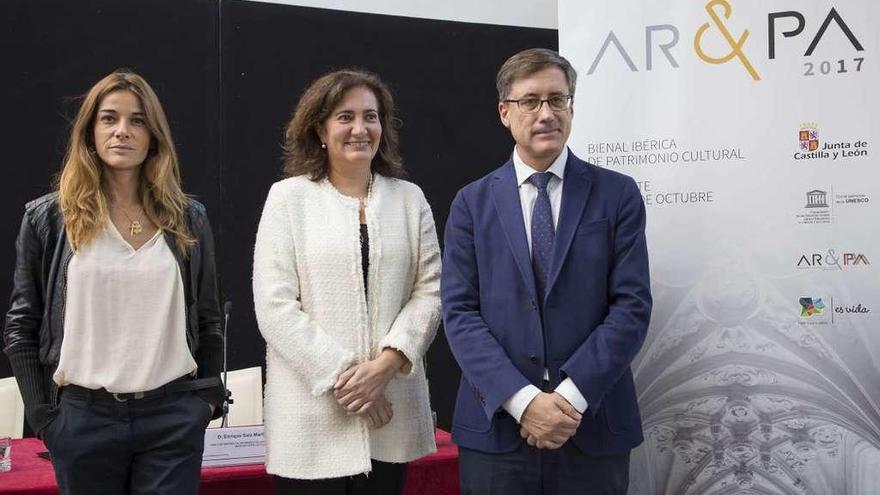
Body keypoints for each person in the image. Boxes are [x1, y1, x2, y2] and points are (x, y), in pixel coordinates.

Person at [2, 70, 224, 494]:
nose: (122, 131)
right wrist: (46, 418)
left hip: (172, 417)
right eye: (109, 119)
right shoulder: (49, 218)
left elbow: (209, 318)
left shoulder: (188, 218)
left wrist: (204, 403)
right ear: (90, 131)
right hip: (83, 419)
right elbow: (20, 326)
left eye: (137, 120)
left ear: (154, 135)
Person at [441, 48, 652, 494]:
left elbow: (631, 308)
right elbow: (460, 314)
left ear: (571, 106)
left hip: (591, 426)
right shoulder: (470, 204)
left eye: (558, 100)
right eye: (530, 101)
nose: (546, 113)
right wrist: (525, 402)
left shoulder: (617, 195)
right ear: (504, 112)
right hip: (498, 429)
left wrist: (568, 401)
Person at [253, 69, 440, 494]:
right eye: (345, 117)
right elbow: (274, 306)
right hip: (313, 420)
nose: (360, 128)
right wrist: (355, 381)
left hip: (391, 418)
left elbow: (430, 293)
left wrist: (386, 367)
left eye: (370, 117)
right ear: (320, 128)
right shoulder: (287, 199)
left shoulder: (410, 199)